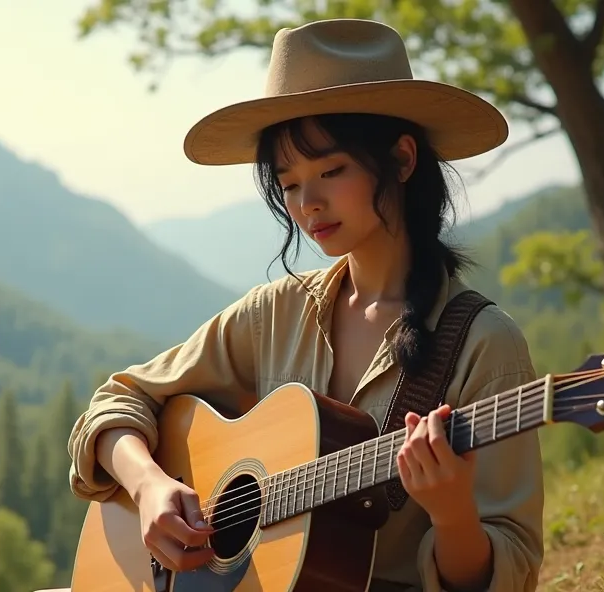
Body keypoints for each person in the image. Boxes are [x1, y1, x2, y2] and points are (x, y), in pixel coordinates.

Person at [67, 18, 544, 592]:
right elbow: (119, 401)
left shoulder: (482, 343)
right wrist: (148, 486)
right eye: (289, 182)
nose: (307, 203)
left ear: (401, 159)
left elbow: (510, 571)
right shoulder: (275, 314)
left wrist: (451, 515)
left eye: (331, 171)